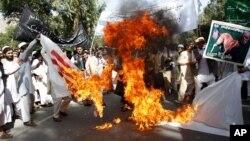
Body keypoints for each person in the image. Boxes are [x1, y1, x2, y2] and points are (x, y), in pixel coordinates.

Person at [40, 44, 71, 122]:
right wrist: (45, 43)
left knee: (68, 97)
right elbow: (42, 52)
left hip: (63, 83)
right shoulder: (50, 59)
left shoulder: (63, 61)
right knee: (58, 99)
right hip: (54, 83)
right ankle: (55, 115)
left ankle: (62, 110)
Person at [17, 38, 39, 127]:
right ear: (21, 49)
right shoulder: (23, 55)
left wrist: (35, 65)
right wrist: (35, 40)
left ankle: (27, 118)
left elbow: (28, 69)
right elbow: (29, 49)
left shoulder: (25, 58)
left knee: (27, 103)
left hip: (27, 84)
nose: (26, 48)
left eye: (25, 47)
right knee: (25, 103)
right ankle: (27, 121)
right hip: (23, 85)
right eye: (24, 47)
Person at [1, 46, 21, 118]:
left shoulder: (15, 60)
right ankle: (10, 117)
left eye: (11, 53)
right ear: (4, 54)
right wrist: (17, 65)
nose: (10, 55)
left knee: (17, 100)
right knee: (8, 101)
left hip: (16, 82)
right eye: (8, 53)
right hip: (7, 84)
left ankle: (19, 114)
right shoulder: (2, 61)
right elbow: (7, 72)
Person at [0, 61, 13, 139]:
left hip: (1, 92)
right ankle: (1, 132)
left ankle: (2, 130)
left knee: (1, 112)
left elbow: (6, 72)